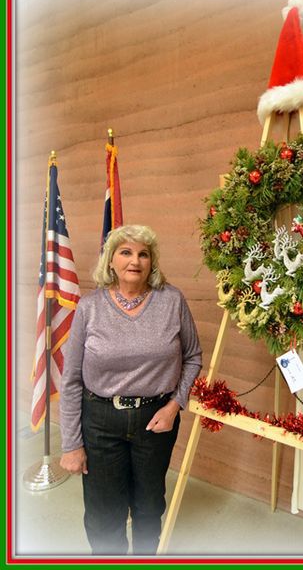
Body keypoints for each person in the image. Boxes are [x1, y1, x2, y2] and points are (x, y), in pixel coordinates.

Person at [59, 224, 202, 555]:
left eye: (143, 254)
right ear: (111, 260)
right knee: (103, 515)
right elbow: (71, 378)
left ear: (152, 262)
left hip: (156, 421)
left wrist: (174, 405)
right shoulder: (90, 307)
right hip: (100, 421)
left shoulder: (172, 300)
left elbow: (193, 357)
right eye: (125, 252)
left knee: (149, 507)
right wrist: (71, 444)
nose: (135, 260)